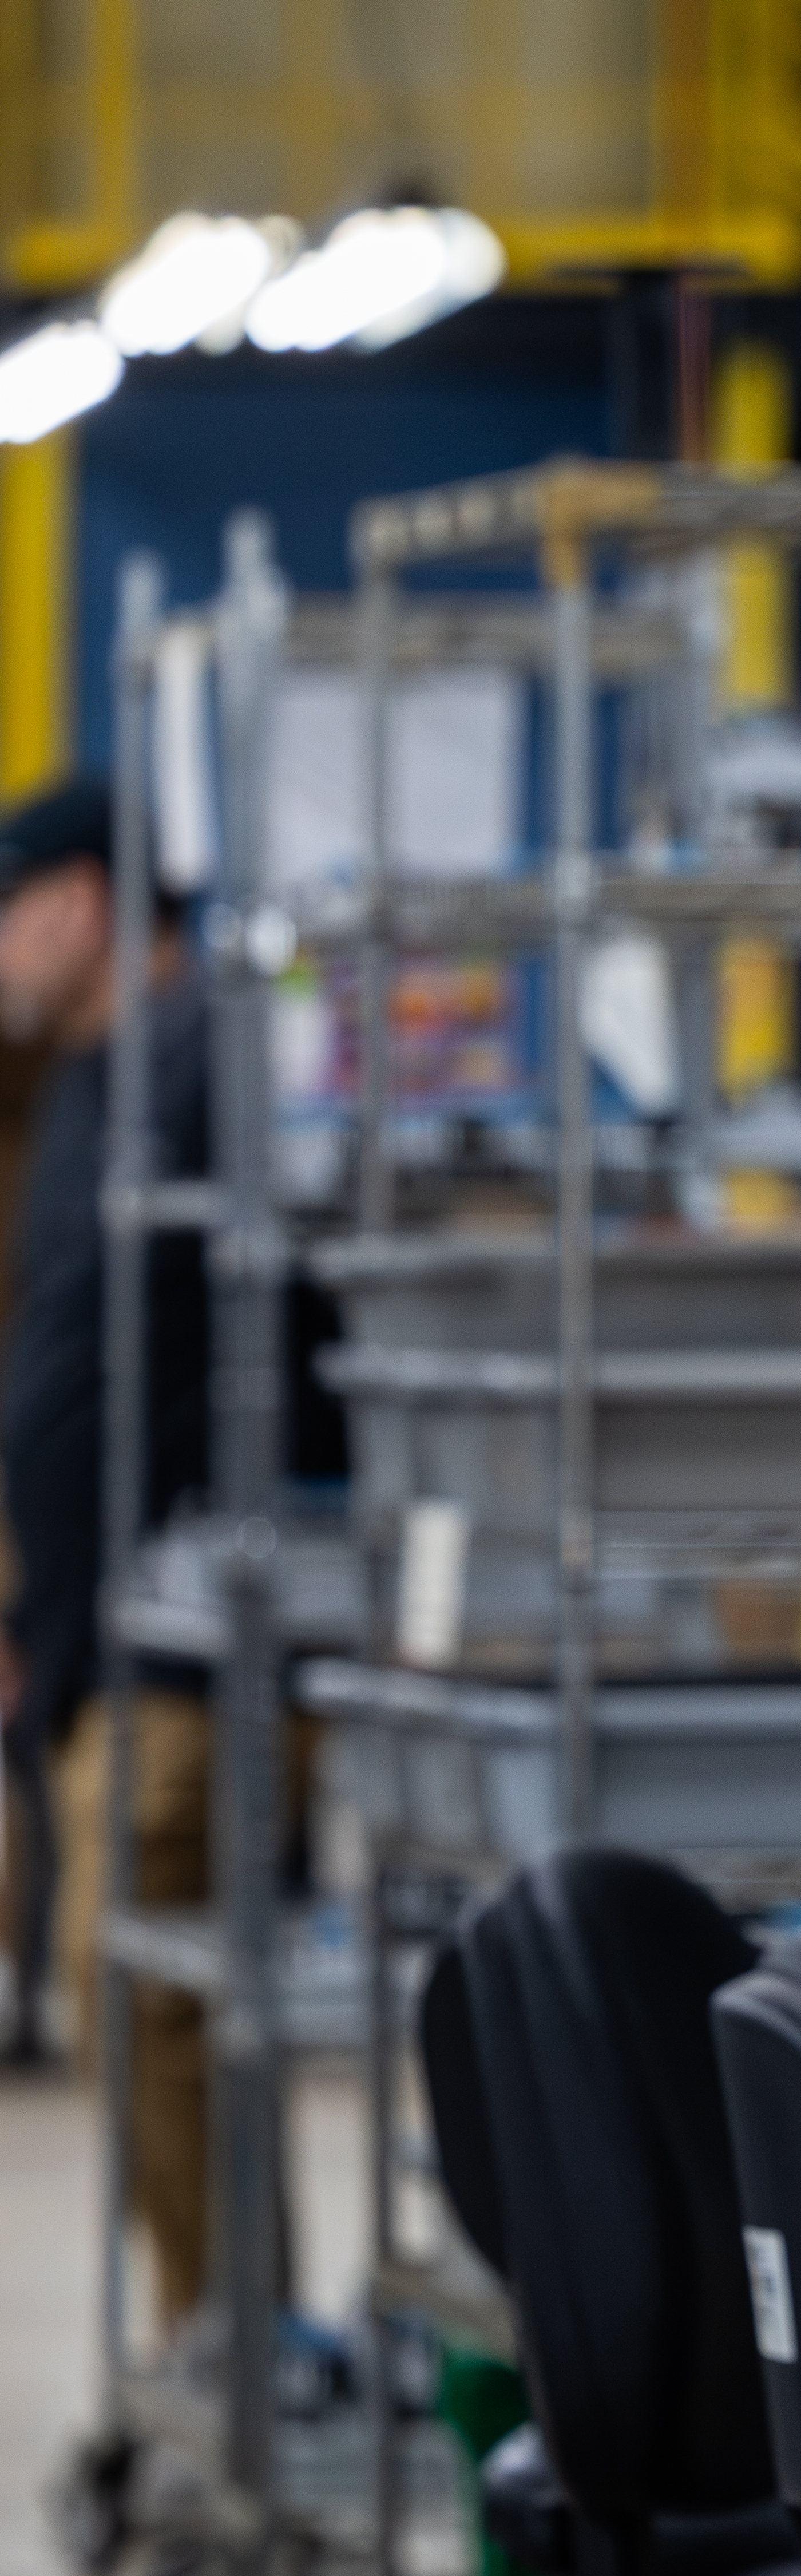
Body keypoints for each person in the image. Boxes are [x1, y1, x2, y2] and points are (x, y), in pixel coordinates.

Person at [0, 777, 208, 2288]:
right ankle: (219, 2323)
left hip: (191, 1631)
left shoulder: (201, 1062)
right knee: (129, 1988)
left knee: (129, 1980)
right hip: (95, 1627)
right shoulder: (84, 1078)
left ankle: (236, 2334)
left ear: (78, 900)